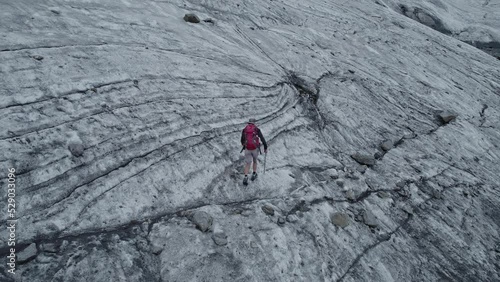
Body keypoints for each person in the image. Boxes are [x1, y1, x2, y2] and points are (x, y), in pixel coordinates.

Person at [241, 118, 268, 185]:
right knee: (255, 161)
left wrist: (245, 145)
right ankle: (254, 174)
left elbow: (242, 140)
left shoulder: (245, 129)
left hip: (247, 149)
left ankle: (246, 177)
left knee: (248, 163)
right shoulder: (256, 129)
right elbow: (262, 139)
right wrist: (265, 147)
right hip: (255, 149)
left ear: (249, 122)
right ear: (254, 123)